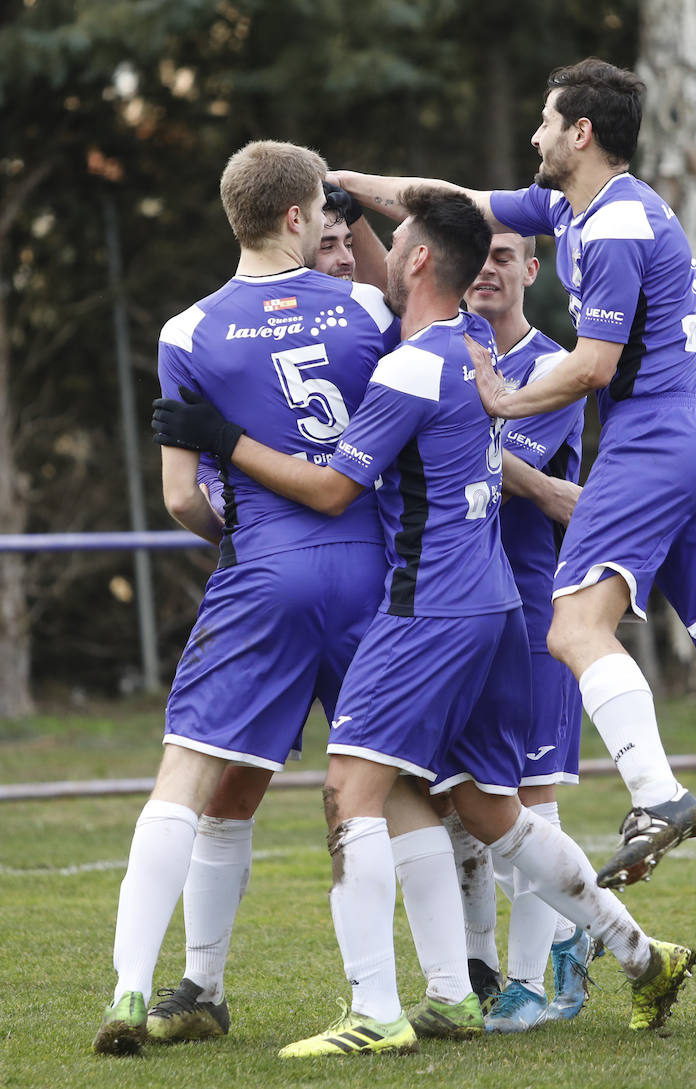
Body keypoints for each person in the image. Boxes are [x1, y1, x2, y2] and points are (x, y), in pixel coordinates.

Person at [329, 57, 696, 947]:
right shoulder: (574, 208)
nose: (535, 138)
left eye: (547, 122)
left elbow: (593, 368)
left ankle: (655, 794)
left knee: (571, 627)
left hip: (657, 437)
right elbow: (451, 199)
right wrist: (346, 184)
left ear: (581, 133)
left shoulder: (619, 224)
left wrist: (502, 399)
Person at [154, 187, 696, 1057]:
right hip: (487, 599)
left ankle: (374, 1008)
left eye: (389, 243)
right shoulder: (474, 343)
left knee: (350, 790)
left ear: (414, 262)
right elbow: (410, 289)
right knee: (488, 807)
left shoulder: (411, 367)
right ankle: (642, 953)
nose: (361, 257)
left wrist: (222, 435)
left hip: (428, 607)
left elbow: (334, 488)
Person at [92, 140, 400, 1056]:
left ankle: (130, 988)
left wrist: (254, 539)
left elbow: (183, 496)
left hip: (265, 568)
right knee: (404, 791)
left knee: (193, 778)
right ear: (303, 217)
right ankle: (450, 983)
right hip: (375, 568)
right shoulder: (367, 305)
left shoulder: (187, 331)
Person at [436, 232, 598, 1032]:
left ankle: (536, 977)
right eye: (477, 257)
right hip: (449, 611)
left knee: (530, 798)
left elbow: (487, 457)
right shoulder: (438, 350)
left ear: (533, 271)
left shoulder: (555, 367)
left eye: (505, 255)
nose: (488, 269)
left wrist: (466, 439)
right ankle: (485, 964)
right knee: (457, 802)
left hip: (532, 609)